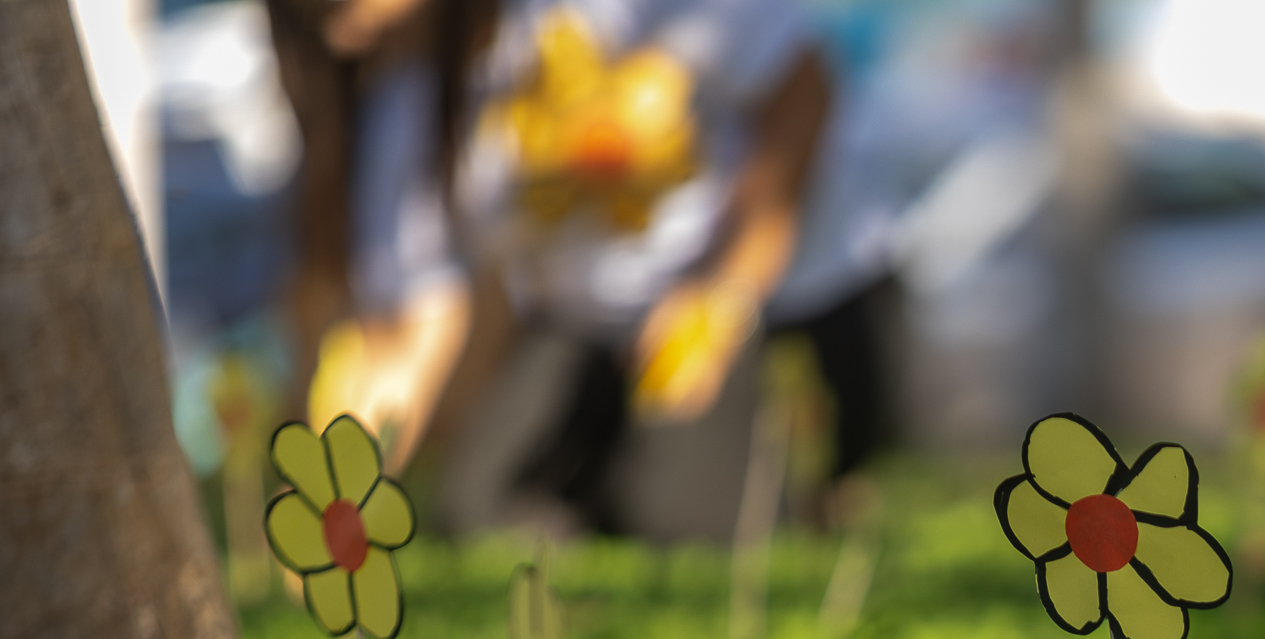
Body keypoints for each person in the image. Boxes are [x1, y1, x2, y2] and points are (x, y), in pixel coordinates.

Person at [267, 0, 899, 537]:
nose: (348, 34)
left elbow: (803, 92)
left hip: (782, 303)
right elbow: (409, 327)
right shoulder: (415, 103)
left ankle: (811, 486)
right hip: (583, 328)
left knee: (680, 518)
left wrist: (723, 288)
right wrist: (339, 501)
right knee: (478, 515)